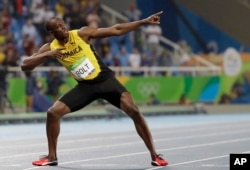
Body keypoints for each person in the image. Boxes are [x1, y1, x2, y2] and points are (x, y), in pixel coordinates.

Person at [21, 11, 168, 167]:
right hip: (85, 87)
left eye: (62, 24)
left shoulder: (81, 33)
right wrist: (47, 55)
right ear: (51, 32)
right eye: (58, 27)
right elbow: (25, 66)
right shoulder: (50, 47)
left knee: (134, 111)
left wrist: (143, 21)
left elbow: (116, 30)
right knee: (52, 113)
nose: (62, 27)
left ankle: (155, 155)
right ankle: (51, 157)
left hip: (105, 80)